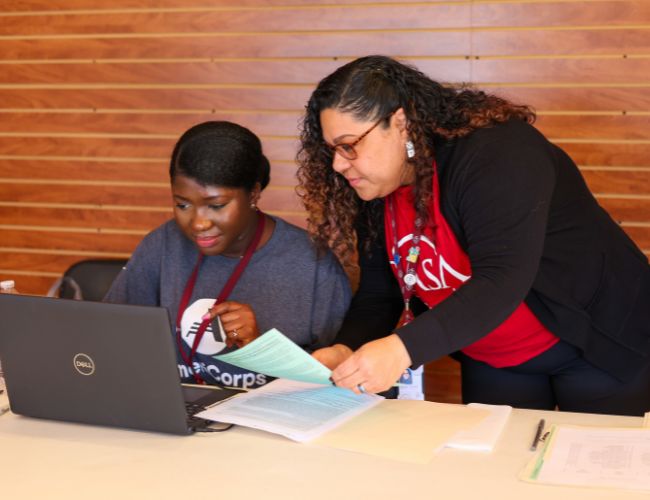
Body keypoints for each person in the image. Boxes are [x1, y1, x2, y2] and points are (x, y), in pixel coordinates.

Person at [296, 55, 650, 415]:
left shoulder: (499, 154)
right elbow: (380, 292)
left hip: (596, 342)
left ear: (400, 122)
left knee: (590, 467)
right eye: (332, 151)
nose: (339, 165)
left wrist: (401, 349)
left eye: (349, 145)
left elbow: (501, 278)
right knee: (494, 468)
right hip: (492, 355)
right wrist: (346, 348)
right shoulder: (374, 185)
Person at [105, 121, 351, 389]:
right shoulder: (162, 245)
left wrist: (261, 348)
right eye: (182, 204)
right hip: (175, 414)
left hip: (267, 421)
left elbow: (336, 379)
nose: (198, 223)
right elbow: (110, 336)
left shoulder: (313, 266)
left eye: (217, 205)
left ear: (254, 194)